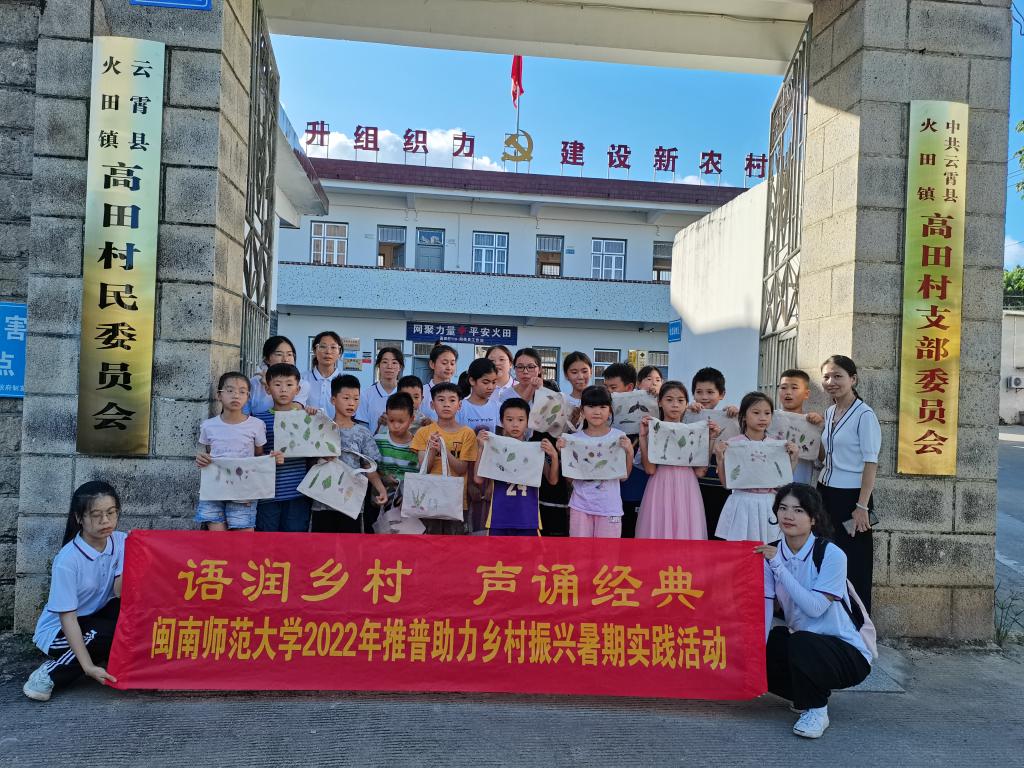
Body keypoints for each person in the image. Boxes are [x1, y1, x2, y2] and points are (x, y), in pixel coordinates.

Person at [754, 483, 872, 739]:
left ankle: (817, 711)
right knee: (765, 646)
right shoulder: (772, 553)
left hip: (847, 654)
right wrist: (755, 656)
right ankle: (803, 696)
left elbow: (815, 608)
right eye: (783, 508)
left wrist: (778, 566)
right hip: (805, 645)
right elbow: (765, 607)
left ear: (813, 518)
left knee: (802, 642)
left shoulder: (831, 554)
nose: (788, 516)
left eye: (798, 510)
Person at [24, 481, 126, 702]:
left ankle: (99, 652)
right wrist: (88, 667)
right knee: (105, 634)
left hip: (94, 618)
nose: (105, 521)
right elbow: (67, 617)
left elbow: (120, 593)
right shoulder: (67, 560)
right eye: (96, 515)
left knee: (128, 620)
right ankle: (50, 673)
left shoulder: (122, 542)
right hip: (58, 632)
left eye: (111, 512)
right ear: (79, 518)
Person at [819, 355, 881, 613]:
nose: (831, 382)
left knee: (853, 561)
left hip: (851, 499)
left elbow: (871, 462)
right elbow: (826, 453)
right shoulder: (829, 412)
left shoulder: (865, 415)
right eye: (826, 377)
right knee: (825, 556)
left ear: (853, 379)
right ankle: (826, 616)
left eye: (838, 376)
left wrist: (862, 506)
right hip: (824, 493)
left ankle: (856, 622)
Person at [636, 381, 718, 539]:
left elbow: (700, 472)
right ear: (660, 402)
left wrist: (711, 439)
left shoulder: (694, 432)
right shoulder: (653, 429)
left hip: (688, 486)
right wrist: (643, 437)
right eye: (669, 400)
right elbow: (650, 469)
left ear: (687, 404)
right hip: (660, 485)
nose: (675, 405)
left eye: (680, 400)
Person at [715, 391, 798, 543]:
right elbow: (727, 484)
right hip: (741, 502)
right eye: (756, 412)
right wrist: (720, 459)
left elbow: (783, 482)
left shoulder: (777, 445)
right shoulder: (733, 444)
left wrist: (794, 459)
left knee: (769, 547)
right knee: (740, 547)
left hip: (769, 502)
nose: (762, 417)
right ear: (744, 416)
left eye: (767, 413)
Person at [310, 375, 388, 533]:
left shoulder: (362, 432)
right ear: (333, 400)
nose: (351, 403)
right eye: (346, 398)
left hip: (351, 501)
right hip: (323, 500)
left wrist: (381, 489)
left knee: (350, 545)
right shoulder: (320, 428)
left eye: (356, 399)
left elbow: (369, 467)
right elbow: (309, 461)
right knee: (322, 545)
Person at [194, 371, 268, 532]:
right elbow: (208, 454)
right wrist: (202, 459)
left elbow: (258, 455)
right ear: (219, 395)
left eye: (242, 391)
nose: (236, 395)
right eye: (230, 390)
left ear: (248, 397)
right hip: (214, 489)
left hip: (244, 490)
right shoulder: (208, 425)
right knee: (217, 539)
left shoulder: (257, 425)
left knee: (243, 538)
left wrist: (273, 458)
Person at [556, 385, 633, 538]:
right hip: (580, 506)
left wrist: (629, 452)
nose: (597, 412)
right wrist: (562, 453)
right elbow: (570, 479)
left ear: (610, 411)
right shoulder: (574, 439)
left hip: (609, 507)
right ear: (582, 410)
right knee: (580, 551)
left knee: (607, 552)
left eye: (603, 407)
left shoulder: (619, 437)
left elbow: (623, 477)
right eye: (591, 406)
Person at [475, 398, 560, 536]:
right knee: (498, 551)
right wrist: (480, 448)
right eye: (509, 419)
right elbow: (478, 479)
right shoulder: (495, 449)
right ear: (501, 421)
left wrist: (554, 456)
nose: (515, 424)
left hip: (528, 518)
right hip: (499, 518)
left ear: (527, 422)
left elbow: (553, 480)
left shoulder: (534, 450)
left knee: (528, 552)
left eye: (520, 420)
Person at [254, 363, 317, 533]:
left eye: (289, 384)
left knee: (295, 543)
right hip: (266, 495)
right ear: (268, 389)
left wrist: (314, 419)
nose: (283, 389)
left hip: (298, 494)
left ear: (298, 389)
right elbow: (252, 455)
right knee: (267, 543)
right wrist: (267, 458)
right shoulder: (257, 421)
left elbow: (316, 452)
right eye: (277, 384)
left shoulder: (307, 419)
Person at [410, 382, 479, 535]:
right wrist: (432, 450)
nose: (446, 404)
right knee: (428, 543)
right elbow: (424, 469)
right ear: (432, 405)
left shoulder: (467, 433)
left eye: (452, 400)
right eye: (441, 400)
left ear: (459, 405)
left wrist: (444, 450)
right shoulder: (423, 432)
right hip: (428, 499)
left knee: (455, 544)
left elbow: (461, 469)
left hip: (456, 500)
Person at [689, 367, 738, 538]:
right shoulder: (688, 414)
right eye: (699, 392)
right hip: (694, 485)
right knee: (696, 528)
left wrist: (737, 413)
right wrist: (687, 408)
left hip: (720, 486)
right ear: (693, 394)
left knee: (717, 529)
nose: (704, 397)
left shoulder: (730, 416)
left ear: (722, 394)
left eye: (710, 392)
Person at [603, 361, 645, 539]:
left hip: (637, 488)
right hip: (609, 493)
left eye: (613, 387)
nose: (609, 392)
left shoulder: (647, 412)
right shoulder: (602, 413)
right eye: (606, 387)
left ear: (629, 388)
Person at [374, 392, 420, 516]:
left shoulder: (417, 446)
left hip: (409, 507)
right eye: (391, 420)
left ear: (411, 419)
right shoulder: (378, 441)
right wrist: (383, 478)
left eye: (401, 421)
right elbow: (371, 469)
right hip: (380, 507)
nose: (395, 425)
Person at [777, 368, 825, 485]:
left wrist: (818, 429)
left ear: (806, 394)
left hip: (801, 488)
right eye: (783, 387)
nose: (788, 392)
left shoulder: (812, 423)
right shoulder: (769, 419)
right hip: (770, 488)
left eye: (794, 388)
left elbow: (823, 458)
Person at [246, 335, 311, 415]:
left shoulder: (301, 384)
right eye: (279, 354)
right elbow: (244, 412)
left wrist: (268, 384)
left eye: (289, 354)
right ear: (267, 359)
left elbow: (293, 411)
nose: (285, 359)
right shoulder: (254, 382)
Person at [355, 346, 404, 433]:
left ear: (400, 367)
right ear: (378, 365)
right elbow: (362, 429)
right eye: (385, 362)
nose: (389, 366)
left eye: (394, 362)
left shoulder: (405, 394)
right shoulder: (366, 395)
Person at [302, 331, 345, 418]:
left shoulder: (345, 382)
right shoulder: (302, 379)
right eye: (323, 346)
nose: (328, 352)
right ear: (314, 350)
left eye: (333, 347)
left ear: (339, 353)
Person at [457, 357, 500, 433]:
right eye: (485, 382)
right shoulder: (459, 408)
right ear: (472, 381)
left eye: (494, 382)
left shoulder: (498, 407)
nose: (490, 387)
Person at [420, 343, 458, 420]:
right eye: (444, 363)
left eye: (452, 363)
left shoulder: (459, 392)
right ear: (432, 364)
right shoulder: (421, 392)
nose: (449, 367)